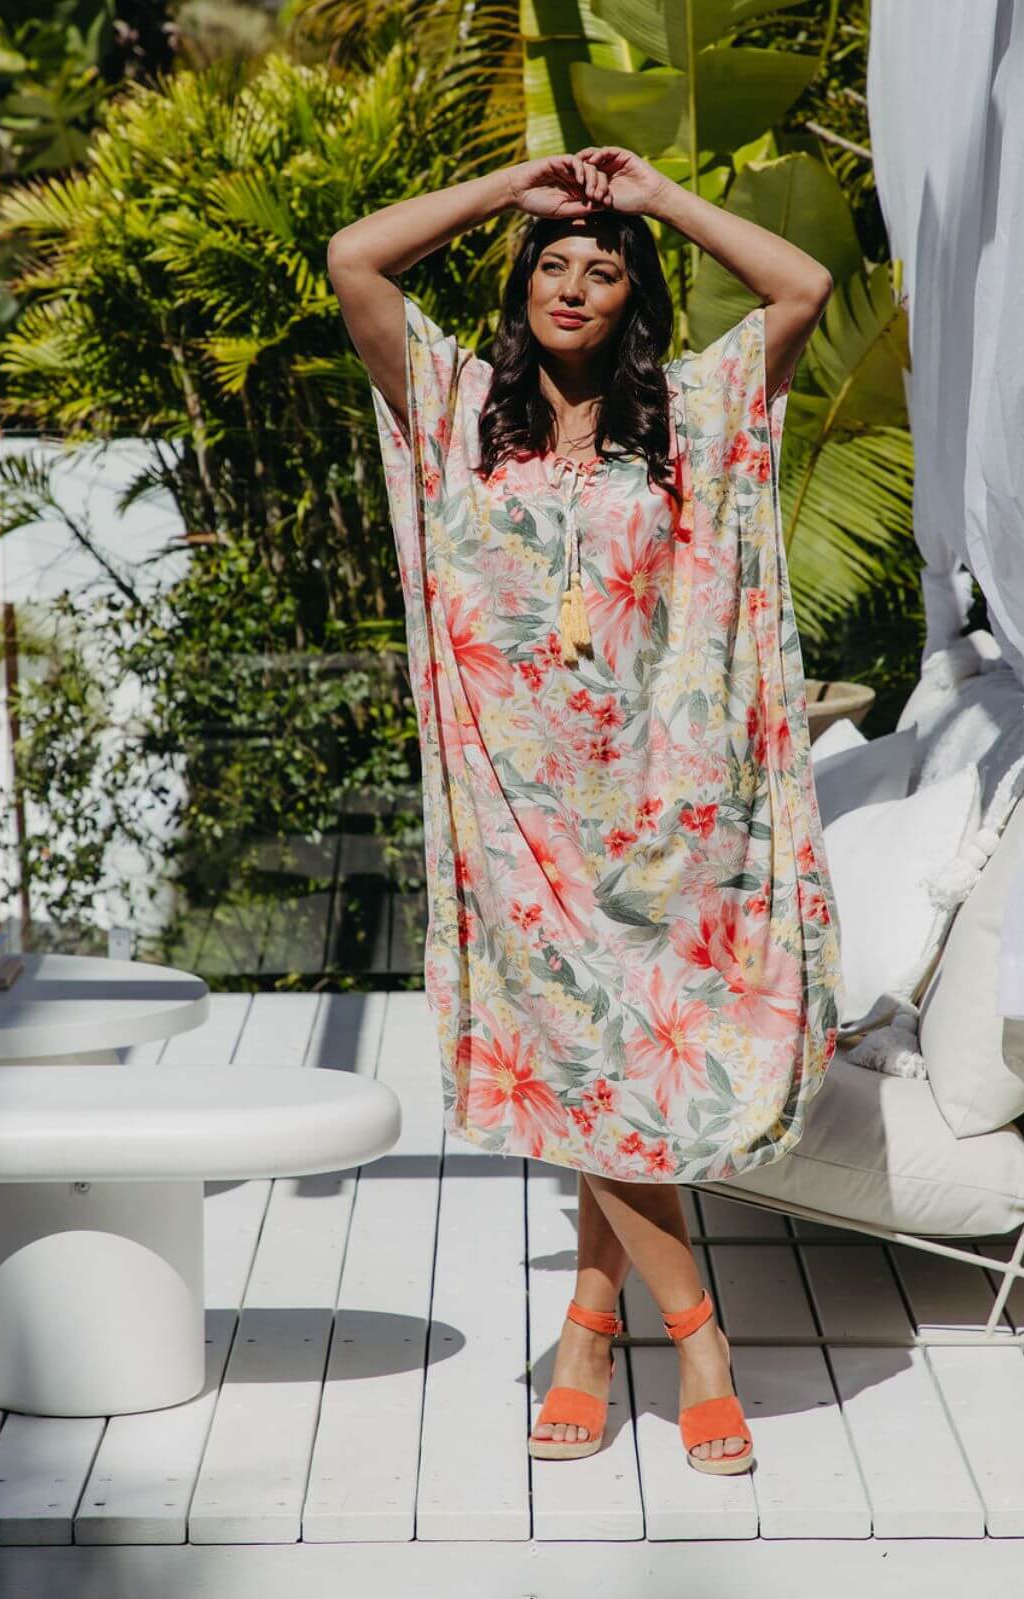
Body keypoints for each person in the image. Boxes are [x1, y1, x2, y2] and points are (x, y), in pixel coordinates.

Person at [328, 148, 841, 1476]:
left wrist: (660, 200)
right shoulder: (452, 407)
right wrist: (512, 187)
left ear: (631, 299)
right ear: (523, 284)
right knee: (589, 1061)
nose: (573, 284)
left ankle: (591, 1320)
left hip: (655, 815)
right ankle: (699, 1337)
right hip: (514, 810)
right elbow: (355, 258)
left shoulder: (685, 420)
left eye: (602, 269)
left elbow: (802, 286)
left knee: (617, 1071)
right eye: (555, 264)